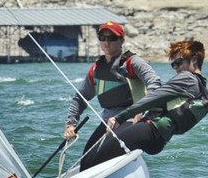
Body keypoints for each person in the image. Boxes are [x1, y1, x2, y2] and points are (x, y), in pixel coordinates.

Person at [79, 39, 208, 170]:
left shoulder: (187, 78)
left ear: (194, 59)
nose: (176, 68)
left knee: (92, 160)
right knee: (97, 154)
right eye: (173, 64)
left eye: (179, 62)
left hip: (149, 130)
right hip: (159, 138)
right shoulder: (200, 86)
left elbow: (152, 98)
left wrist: (120, 117)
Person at [64, 21, 162, 157]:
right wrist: (70, 124)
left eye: (112, 38)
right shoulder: (96, 70)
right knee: (87, 157)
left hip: (131, 120)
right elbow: (79, 99)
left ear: (122, 40)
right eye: (102, 38)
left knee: (109, 151)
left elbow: (155, 85)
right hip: (108, 122)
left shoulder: (133, 62)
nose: (106, 42)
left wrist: (141, 110)